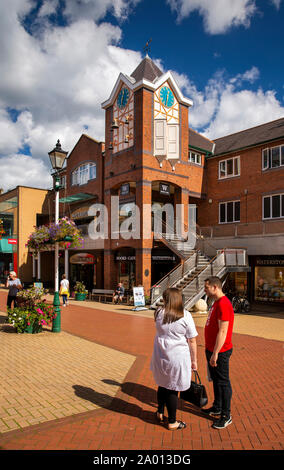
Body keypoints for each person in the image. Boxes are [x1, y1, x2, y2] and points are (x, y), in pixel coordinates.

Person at [150, 288, 198, 430]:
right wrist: (194, 360)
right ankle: (172, 421)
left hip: (160, 354)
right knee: (173, 388)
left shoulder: (158, 313)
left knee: (162, 384)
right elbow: (192, 340)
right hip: (177, 357)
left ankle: (159, 412)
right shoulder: (185, 316)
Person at [203, 276, 234, 429]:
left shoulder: (224, 304)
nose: (204, 290)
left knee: (223, 382)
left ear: (215, 287)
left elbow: (223, 331)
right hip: (211, 349)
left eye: (206, 288)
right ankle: (217, 406)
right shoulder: (216, 303)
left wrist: (215, 353)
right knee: (216, 380)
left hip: (220, 351)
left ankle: (226, 415)